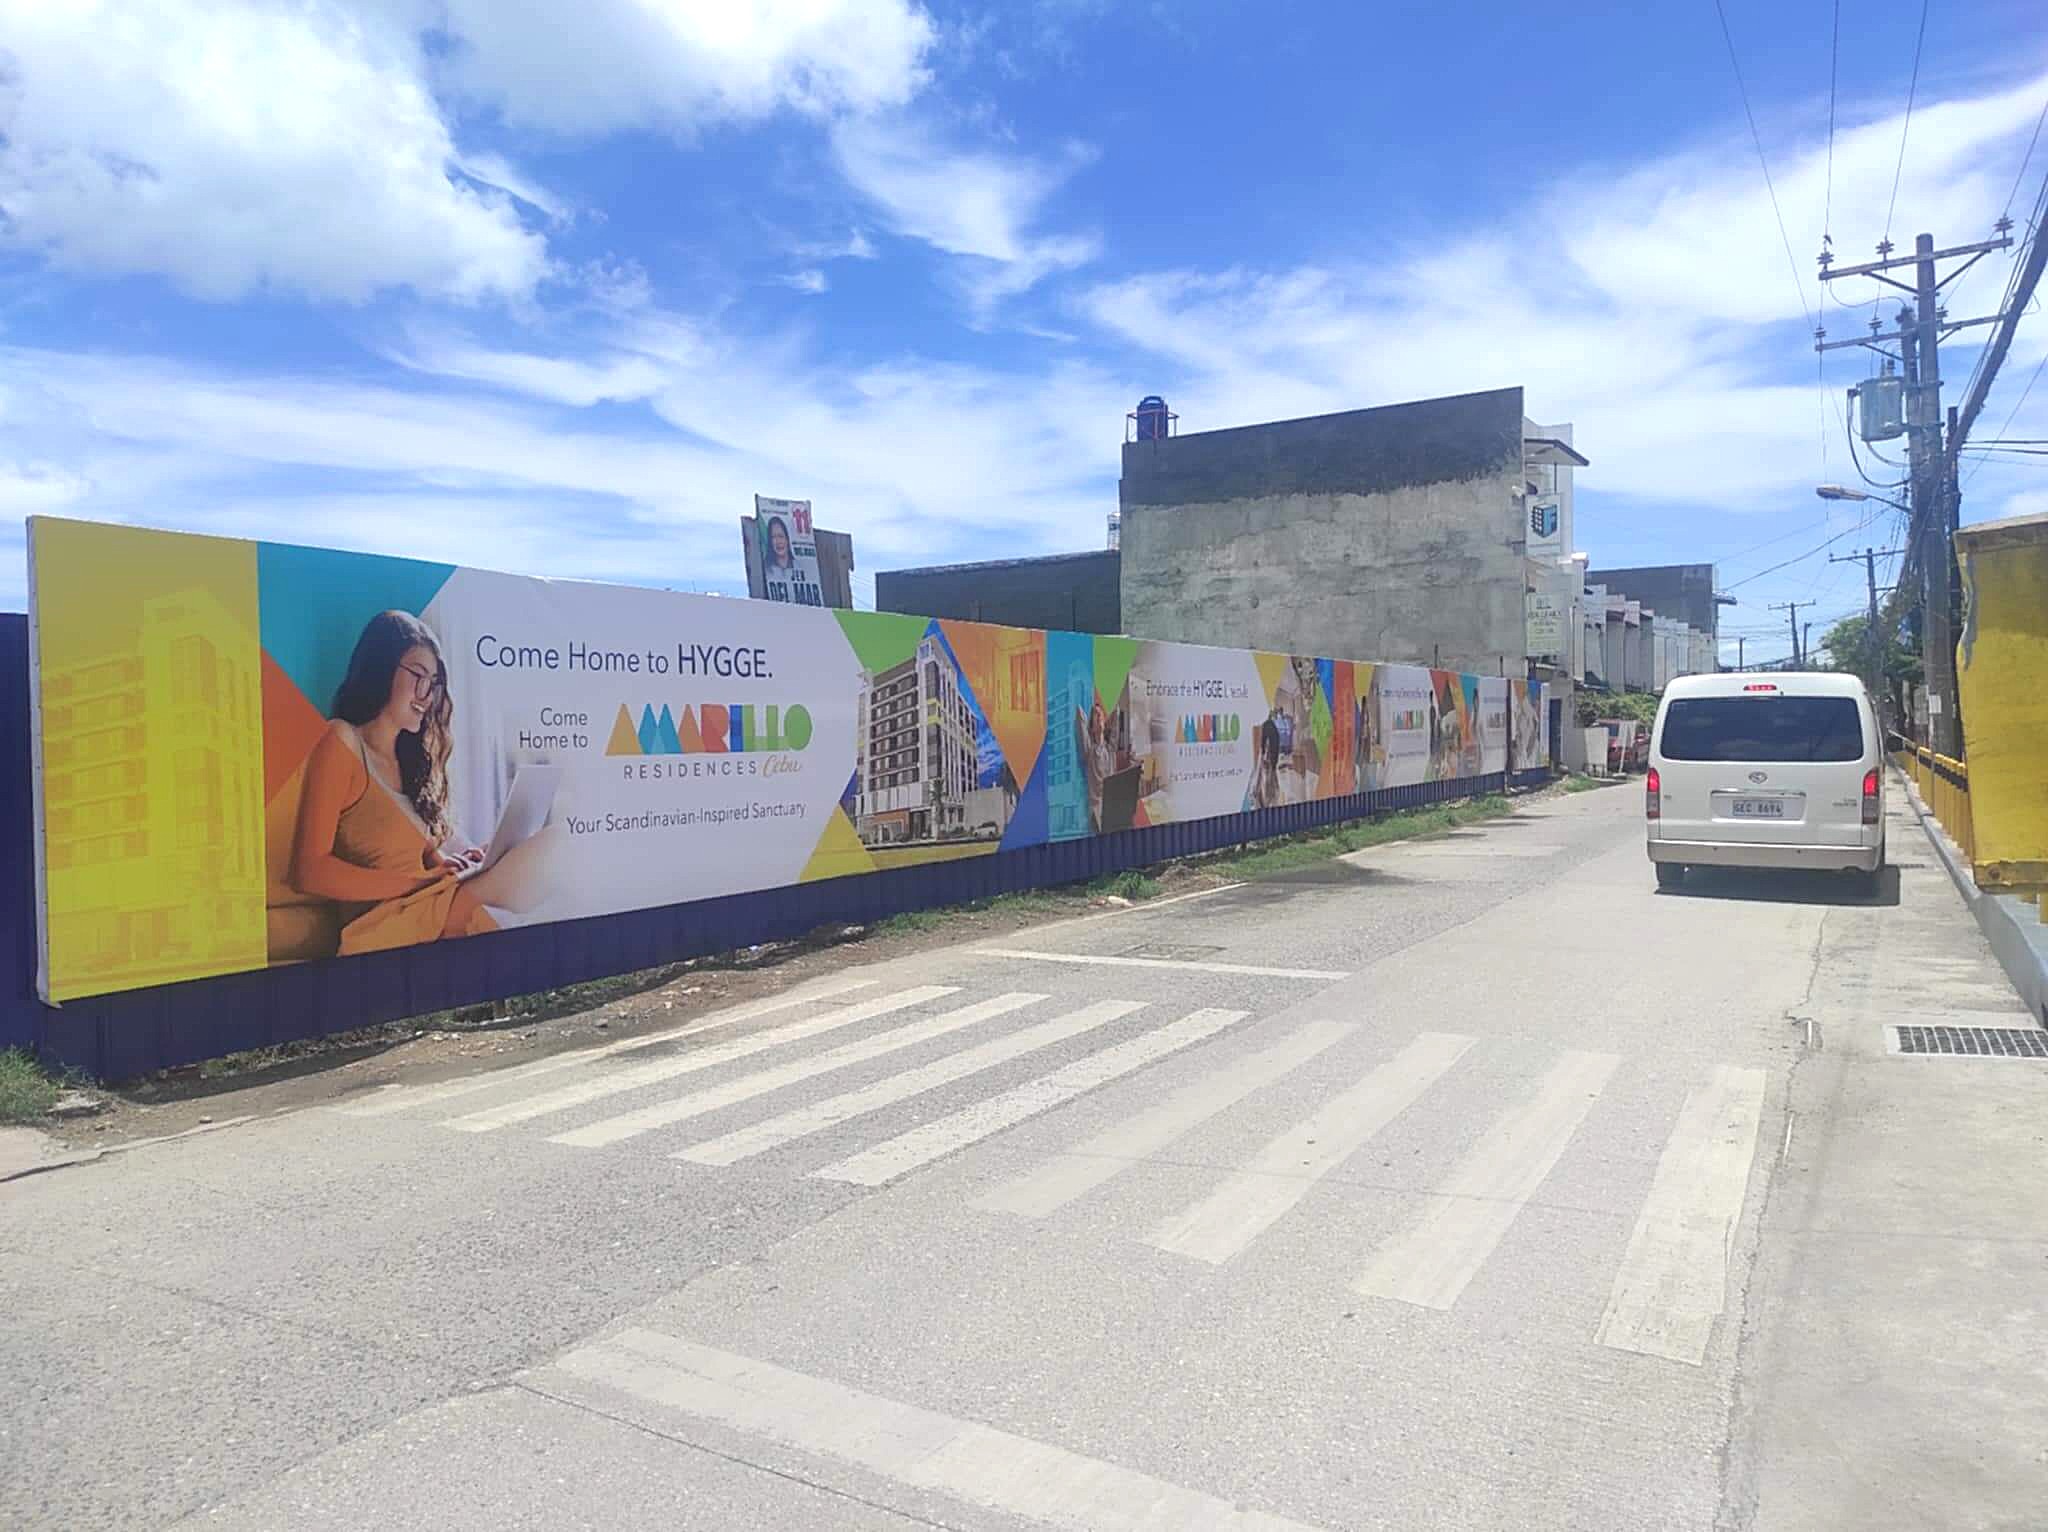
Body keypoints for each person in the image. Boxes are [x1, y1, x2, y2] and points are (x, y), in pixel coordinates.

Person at [287, 610, 503, 953]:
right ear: (382, 668)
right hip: (381, 927)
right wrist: (419, 882)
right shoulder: (342, 740)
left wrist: (461, 864)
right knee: (525, 872)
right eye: (418, 675)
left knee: (525, 858)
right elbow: (308, 871)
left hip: (425, 910)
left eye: (433, 683)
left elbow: (421, 861)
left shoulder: (411, 764)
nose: (425, 695)